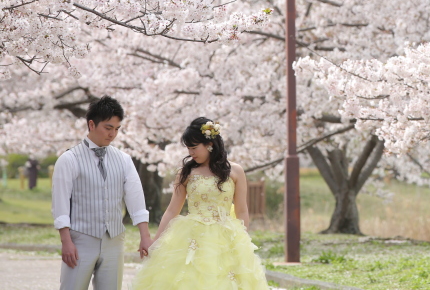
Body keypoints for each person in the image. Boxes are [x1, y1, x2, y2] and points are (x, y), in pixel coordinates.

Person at [130, 117, 268, 290]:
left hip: (226, 237)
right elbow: (172, 210)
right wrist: (155, 241)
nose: (191, 153)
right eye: (188, 148)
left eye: (194, 148)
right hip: (190, 236)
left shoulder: (235, 171)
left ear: (210, 144)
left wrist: (243, 242)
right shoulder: (186, 172)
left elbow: (242, 211)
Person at [51, 96, 153, 290]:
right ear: (91, 124)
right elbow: (60, 203)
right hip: (80, 239)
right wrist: (66, 241)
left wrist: (145, 235)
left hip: (114, 240)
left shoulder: (123, 160)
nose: (113, 134)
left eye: (117, 129)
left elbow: (135, 198)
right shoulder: (69, 159)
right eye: (108, 128)